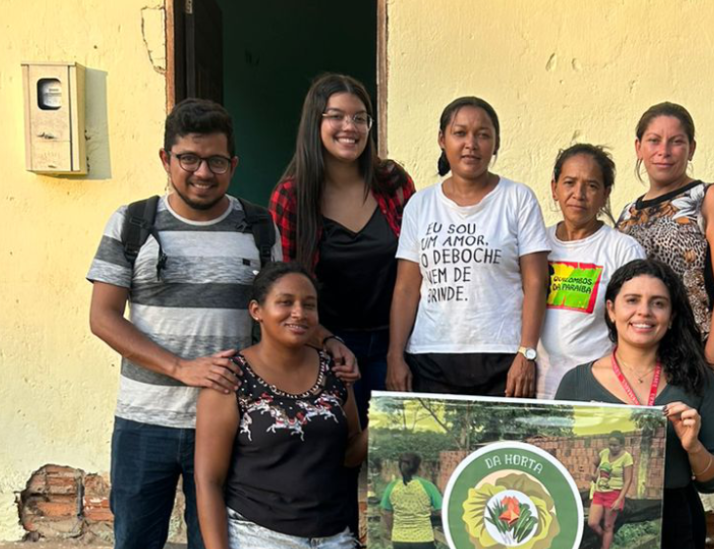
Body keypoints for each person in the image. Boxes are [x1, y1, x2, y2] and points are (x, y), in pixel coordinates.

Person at [87, 99, 353, 549]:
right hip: (147, 419)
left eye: (215, 161)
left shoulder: (257, 227)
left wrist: (330, 341)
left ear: (234, 164)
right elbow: (103, 317)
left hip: (237, 426)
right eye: (188, 159)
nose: (202, 172)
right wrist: (180, 368)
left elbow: (285, 303)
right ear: (166, 159)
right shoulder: (132, 222)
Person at [556, 259, 714, 549]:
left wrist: (692, 447)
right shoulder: (576, 384)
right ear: (611, 309)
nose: (644, 312)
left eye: (658, 303)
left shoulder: (696, 381)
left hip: (674, 521)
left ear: (671, 317)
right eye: (632, 300)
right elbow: (561, 470)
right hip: (597, 514)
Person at [195, 261, 367, 549]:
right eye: (285, 302)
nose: (298, 313)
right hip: (261, 542)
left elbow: (349, 455)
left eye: (309, 304)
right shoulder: (231, 378)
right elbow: (208, 480)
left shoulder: (334, 373)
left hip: (332, 541)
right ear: (256, 310)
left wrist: (390, 423)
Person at [270, 73, 415, 421]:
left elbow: (415, 269)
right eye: (336, 116)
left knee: (392, 449)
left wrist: (398, 351)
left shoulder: (393, 182)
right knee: (335, 448)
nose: (350, 127)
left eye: (360, 118)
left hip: (394, 347)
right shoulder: (291, 196)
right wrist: (326, 340)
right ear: (315, 122)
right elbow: (282, 287)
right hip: (324, 350)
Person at [387, 96, 551, 397]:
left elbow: (536, 282)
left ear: (496, 143)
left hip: (503, 357)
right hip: (430, 356)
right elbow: (406, 288)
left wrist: (526, 352)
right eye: (460, 133)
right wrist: (395, 356)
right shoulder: (420, 205)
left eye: (482, 135)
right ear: (442, 139)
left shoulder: (517, 198)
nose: (471, 144)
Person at [615, 102, 714, 407]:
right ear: (638, 147)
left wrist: (713, 364)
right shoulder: (627, 214)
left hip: (699, 349)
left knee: (692, 435)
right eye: (654, 140)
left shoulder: (708, 198)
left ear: (691, 148)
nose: (664, 151)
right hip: (644, 352)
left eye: (676, 141)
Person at [536, 143, 645, 399]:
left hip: (595, 390)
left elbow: (635, 325)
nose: (579, 194)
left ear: (605, 194)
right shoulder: (537, 244)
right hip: (537, 388)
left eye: (591, 186)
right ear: (554, 188)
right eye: (569, 183)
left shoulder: (622, 250)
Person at [588, 431, 635, 549]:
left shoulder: (626, 457)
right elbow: (594, 463)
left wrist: (619, 499)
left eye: (615, 445)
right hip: (599, 492)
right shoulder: (604, 453)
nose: (612, 447)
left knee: (608, 525)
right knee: (592, 523)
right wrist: (592, 474)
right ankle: (606, 538)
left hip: (614, 494)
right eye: (610, 445)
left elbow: (628, 480)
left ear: (622, 445)